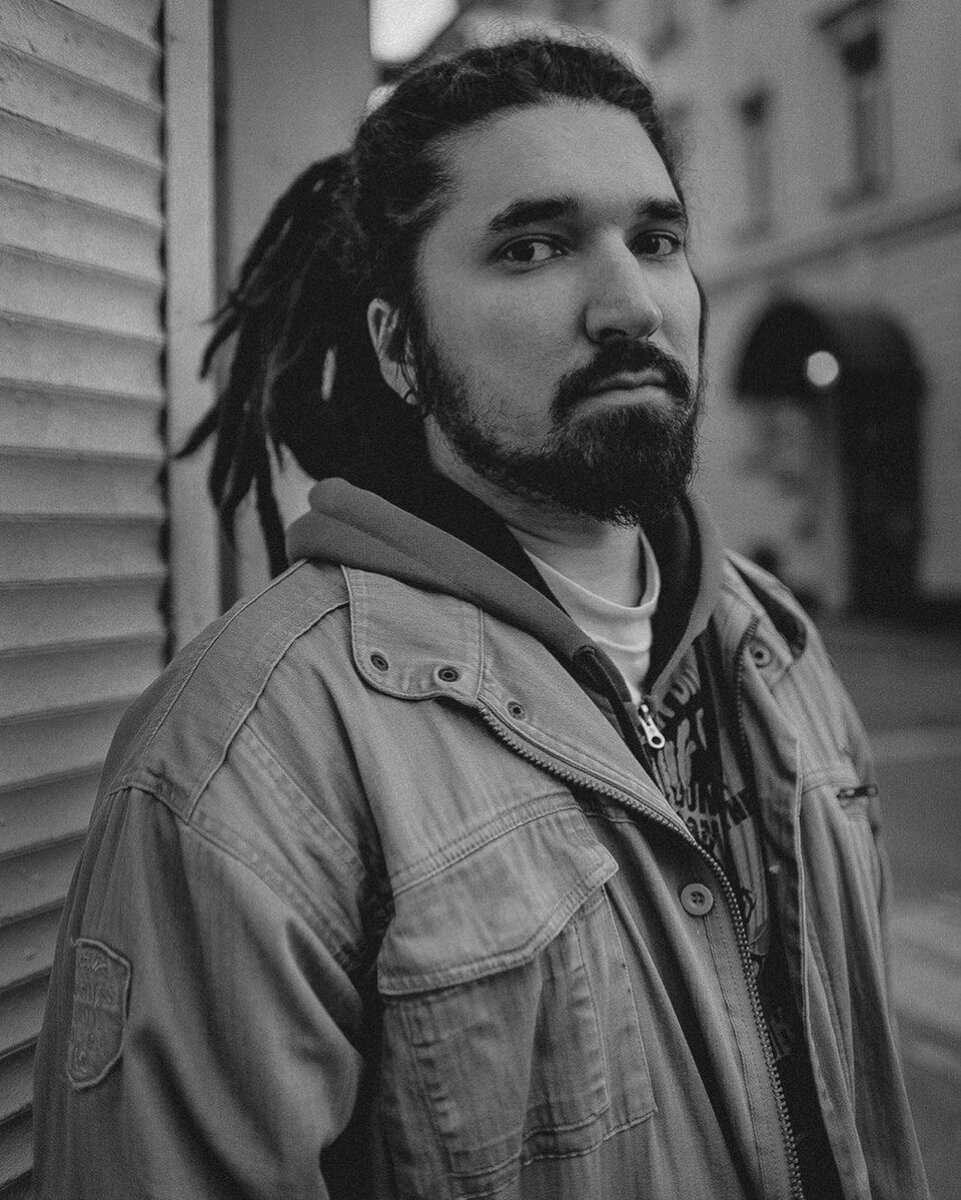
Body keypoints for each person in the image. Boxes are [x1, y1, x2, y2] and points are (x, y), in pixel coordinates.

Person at [33, 36, 928, 1200]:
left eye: (656, 240)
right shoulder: (247, 760)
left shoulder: (775, 645)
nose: (629, 304)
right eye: (531, 248)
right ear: (399, 348)